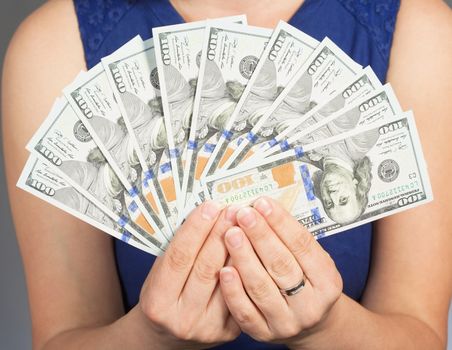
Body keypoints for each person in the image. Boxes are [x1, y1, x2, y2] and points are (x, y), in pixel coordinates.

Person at [2, 0, 451, 349]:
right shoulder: (53, 46)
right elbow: (62, 338)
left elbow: (421, 335)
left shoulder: (424, 35)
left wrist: (328, 330)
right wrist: (147, 339)